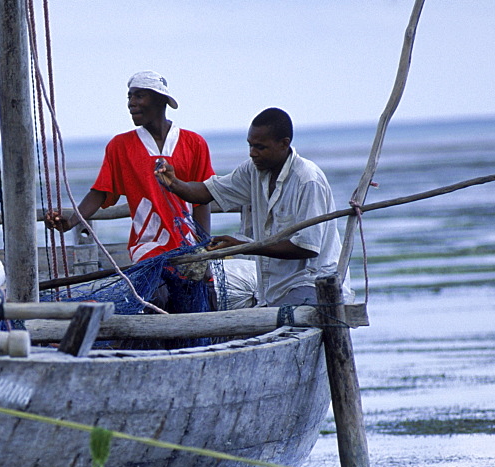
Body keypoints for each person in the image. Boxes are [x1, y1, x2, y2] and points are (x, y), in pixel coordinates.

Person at [48, 70, 215, 313]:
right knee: (156, 300)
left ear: (161, 100)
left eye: (139, 96)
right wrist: (72, 220)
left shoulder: (194, 143)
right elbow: (101, 191)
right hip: (147, 247)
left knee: (199, 304)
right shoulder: (120, 146)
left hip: (187, 245)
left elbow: (203, 199)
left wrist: (203, 249)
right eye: (129, 97)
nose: (131, 104)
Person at [155, 107, 352, 307]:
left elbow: (306, 247)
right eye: (250, 146)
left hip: (313, 284)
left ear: (284, 144)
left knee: (279, 327)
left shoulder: (307, 180)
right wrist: (174, 183)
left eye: (260, 147)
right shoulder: (253, 170)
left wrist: (245, 247)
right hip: (273, 289)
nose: (252, 153)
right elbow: (207, 192)